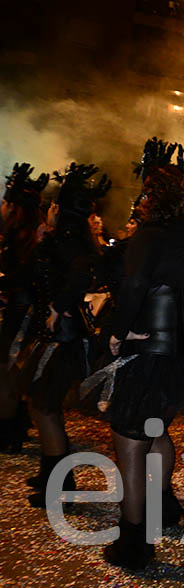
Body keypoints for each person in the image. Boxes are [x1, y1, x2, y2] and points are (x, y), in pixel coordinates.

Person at [81, 139, 184, 570]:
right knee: (157, 430)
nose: (138, 202)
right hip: (182, 356)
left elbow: (134, 287)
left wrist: (116, 333)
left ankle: (134, 542)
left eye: (143, 195)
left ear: (152, 199)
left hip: (149, 353)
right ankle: (163, 507)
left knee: (128, 442)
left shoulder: (148, 237)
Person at [12, 163, 109, 507]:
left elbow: (83, 272)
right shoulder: (60, 237)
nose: (49, 210)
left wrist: (59, 307)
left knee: (45, 406)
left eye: (54, 205)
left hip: (61, 336)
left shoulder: (68, 238)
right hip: (52, 334)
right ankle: (52, 474)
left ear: (61, 209)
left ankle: (60, 485)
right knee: (42, 406)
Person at [0, 163, 48, 453]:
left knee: (5, 372)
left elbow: (28, 278)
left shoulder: (30, 239)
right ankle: (15, 424)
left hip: (23, 314)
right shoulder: (20, 236)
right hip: (20, 311)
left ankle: (8, 433)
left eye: (7, 203)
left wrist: (4, 283)